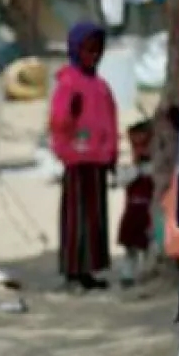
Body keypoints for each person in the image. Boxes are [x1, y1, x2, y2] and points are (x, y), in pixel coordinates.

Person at [50, 21, 119, 291]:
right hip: (77, 161)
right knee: (75, 218)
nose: (94, 55)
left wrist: (111, 153)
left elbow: (110, 123)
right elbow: (58, 121)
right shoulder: (69, 83)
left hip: (98, 161)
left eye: (97, 49)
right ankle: (72, 270)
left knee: (95, 218)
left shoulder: (101, 86)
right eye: (88, 49)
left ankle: (89, 270)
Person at [116, 121, 156, 288]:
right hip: (132, 213)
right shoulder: (129, 166)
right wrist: (136, 170)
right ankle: (128, 274)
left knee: (148, 244)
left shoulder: (154, 166)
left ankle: (147, 273)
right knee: (130, 246)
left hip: (149, 213)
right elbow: (121, 180)